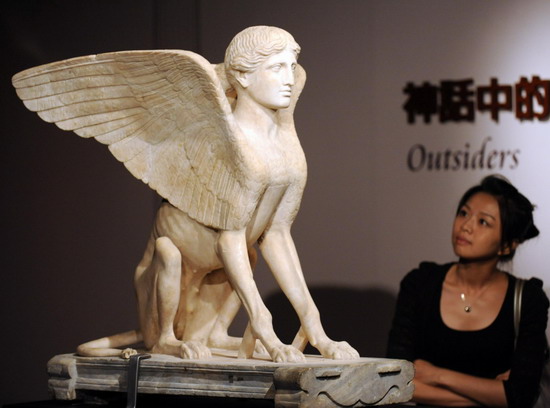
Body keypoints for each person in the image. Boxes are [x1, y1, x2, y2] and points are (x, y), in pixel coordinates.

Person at [387, 175, 549, 407]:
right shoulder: (420, 283)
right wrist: (491, 395)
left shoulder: (528, 299)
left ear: (507, 245)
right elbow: (395, 381)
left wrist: (436, 375)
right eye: (464, 213)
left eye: (483, 222)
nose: (466, 226)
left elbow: (522, 394)